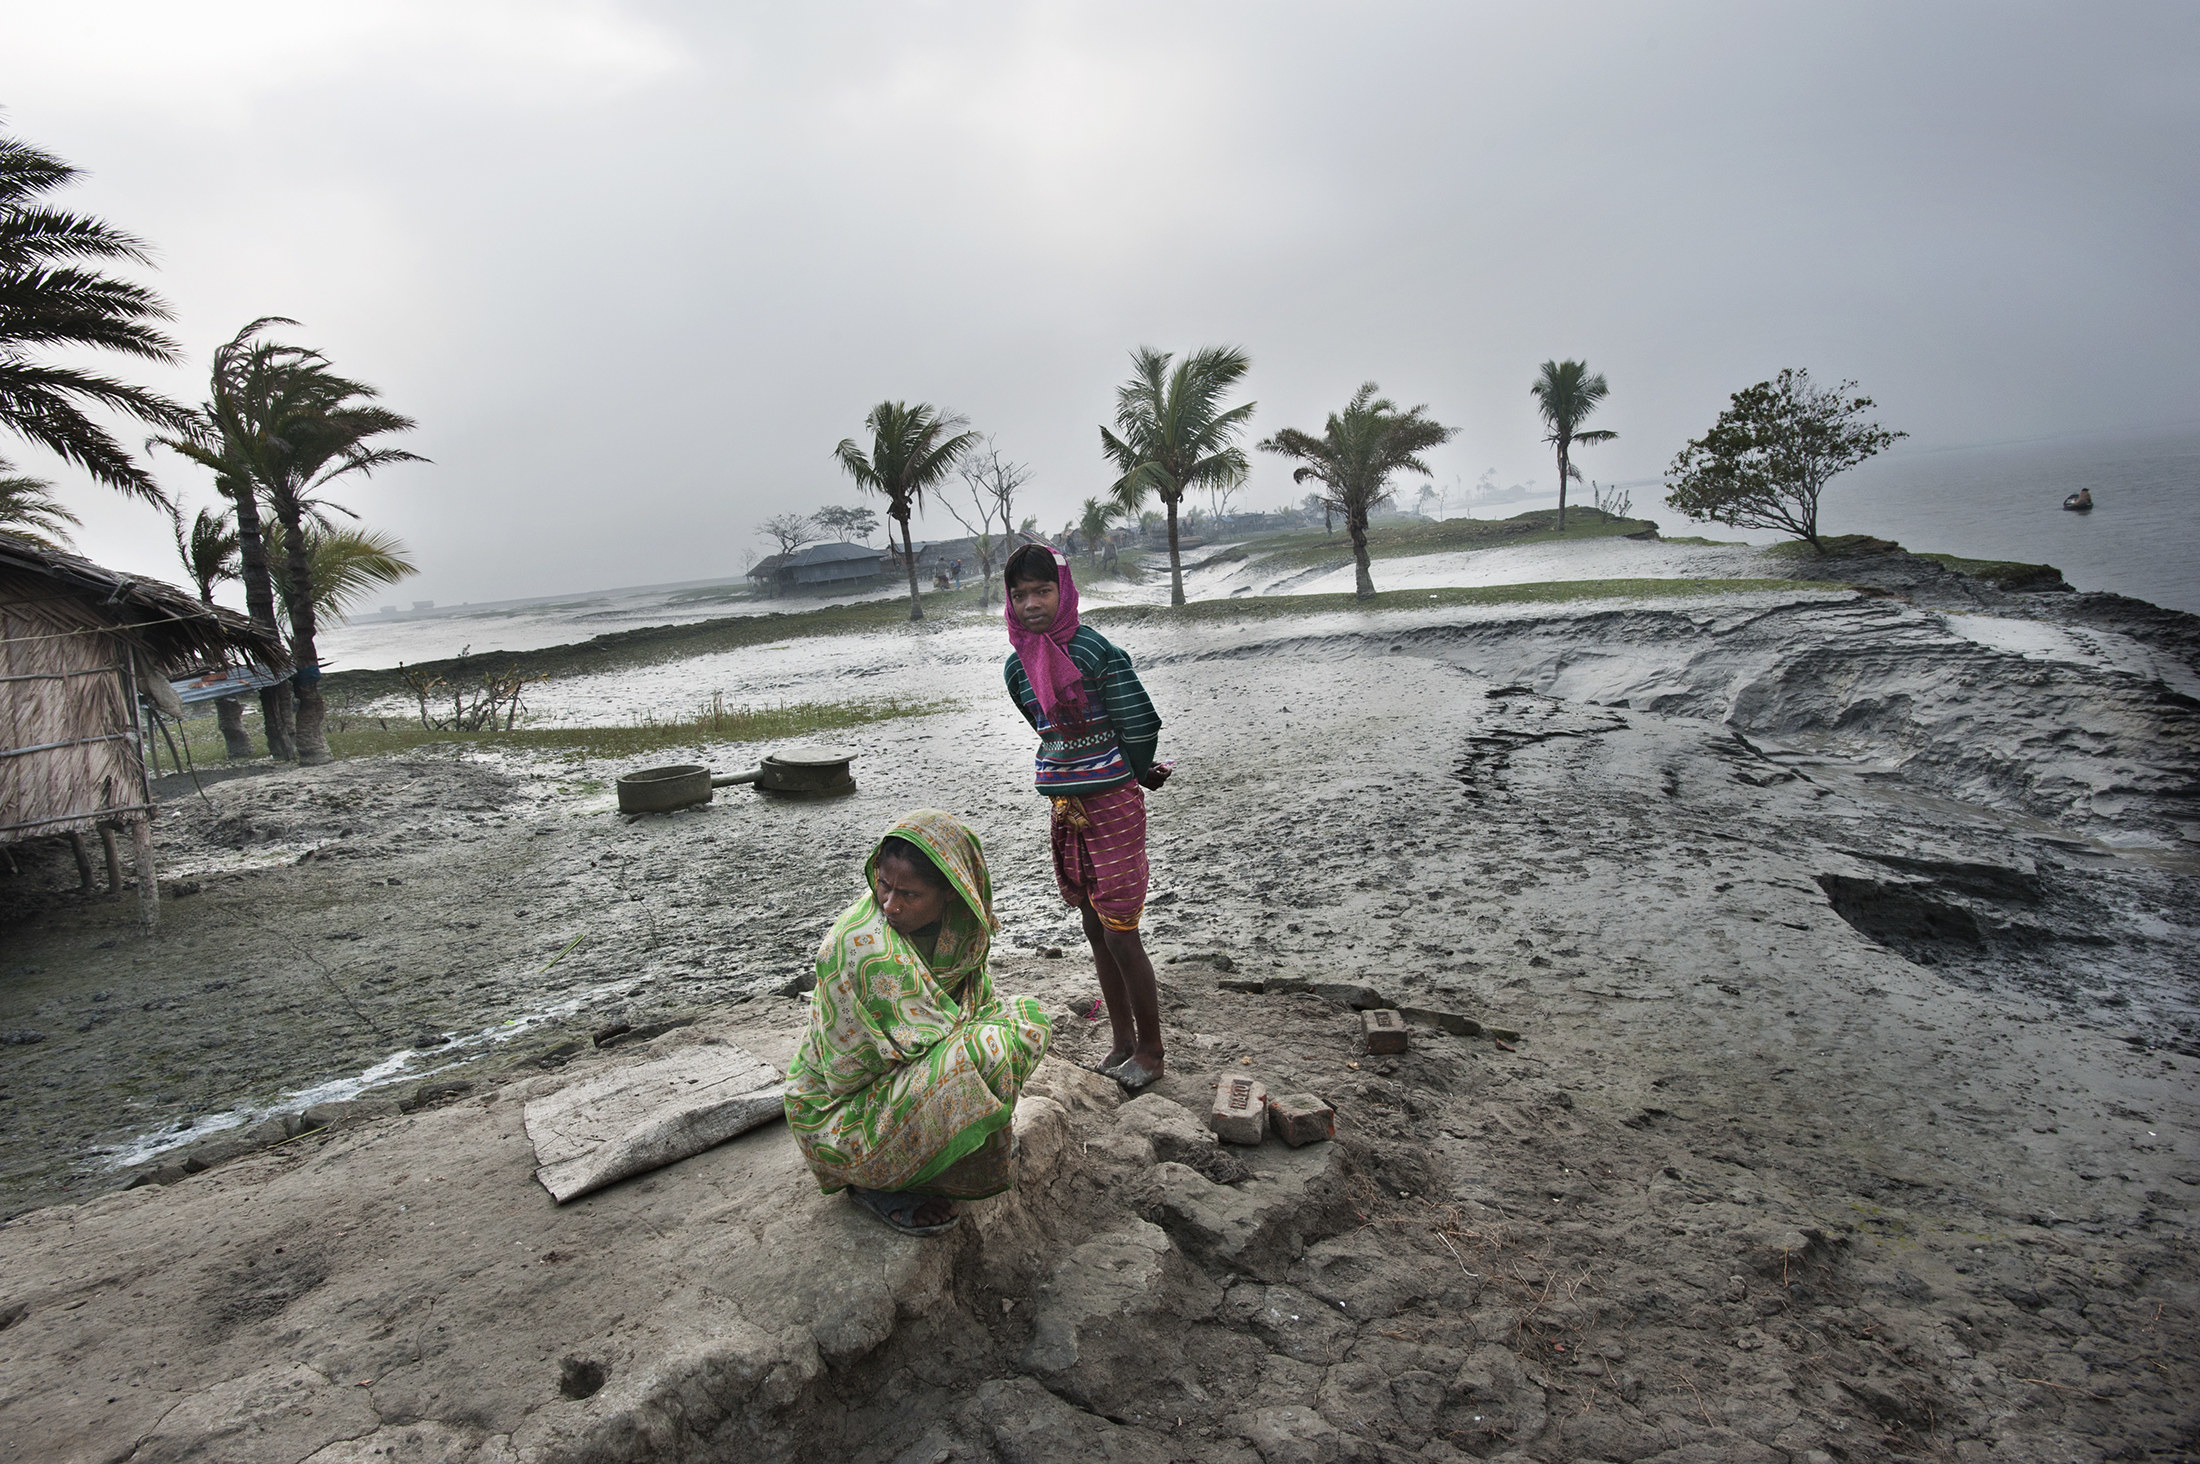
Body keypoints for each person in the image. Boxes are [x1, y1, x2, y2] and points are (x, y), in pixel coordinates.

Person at [784, 811, 1054, 1235]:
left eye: (908, 893)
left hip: (900, 1084)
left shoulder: (960, 931)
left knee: (1028, 1022)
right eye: (884, 886)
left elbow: (976, 1007)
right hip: (844, 1111)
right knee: (986, 1051)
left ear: (952, 891)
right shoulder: (862, 946)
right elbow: (852, 1071)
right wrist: (969, 1055)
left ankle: (942, 1155)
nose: (890, 904)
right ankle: (879, 1183)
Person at [1002, 543, 1171, 1091]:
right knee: (1093, 924)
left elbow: (1140, 722)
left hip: (1112, 804)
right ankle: (1120, 1041)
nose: (1032, 603)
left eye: (1043, 590)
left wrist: (1136, 771)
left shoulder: (1096, 652)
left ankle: (1150, 1050)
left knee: (1121, 930)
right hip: (1066, 805)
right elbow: (1044, 727)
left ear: (1065, 591)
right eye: (1020, 594)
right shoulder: (1017, 665)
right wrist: (1079, 766)